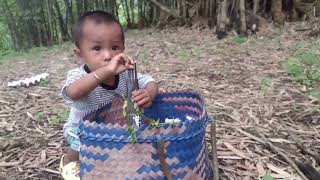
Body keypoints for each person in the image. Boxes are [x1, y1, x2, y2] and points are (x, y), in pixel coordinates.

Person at [58, 10, 158, 180]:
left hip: (113, 127)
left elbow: (150, 81)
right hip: (82, 128)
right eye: (97, 48)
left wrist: (148, 93)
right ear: (80, 54)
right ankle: (69, 161)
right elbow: (72, 92)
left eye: (114, 47)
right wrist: (105, 71)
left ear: (123, 49)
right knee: (81, 143)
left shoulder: (126, 73)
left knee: (138, 128)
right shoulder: (79, 76)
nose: (108, 55)